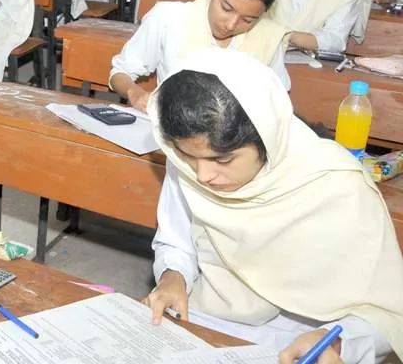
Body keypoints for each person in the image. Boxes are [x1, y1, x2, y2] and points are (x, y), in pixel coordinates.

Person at [146, 48, 401, 364]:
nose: (203, 175)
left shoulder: (337, 186)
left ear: (266, 138)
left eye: (223, 159)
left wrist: (337, 342)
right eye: (188, 156)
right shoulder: (188, 164)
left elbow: (387, 313)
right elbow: (176, 240)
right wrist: (173, 275)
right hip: (209, 320)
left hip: (303, 337)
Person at [110, 0, 288, 111]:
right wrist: (135, 94)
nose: (231, 25)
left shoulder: (269, 38)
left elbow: (278, 100)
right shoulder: (169, 18)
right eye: (226, 8)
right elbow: (121, 72)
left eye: (248, 20)